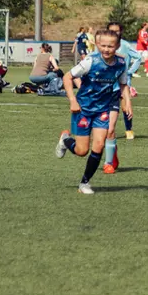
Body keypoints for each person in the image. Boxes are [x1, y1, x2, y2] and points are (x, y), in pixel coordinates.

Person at [55, 29, 132, 193]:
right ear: (97, 45)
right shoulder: (90, 61)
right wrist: (73, 100)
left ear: (117, 46)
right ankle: (65, 139)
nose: (106, 49)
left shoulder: (121, 63)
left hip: (102, 110)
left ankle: (84, 183)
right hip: (83, 109)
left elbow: (123, 84)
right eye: (103, 45)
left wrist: (128, 103)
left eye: (111, 46)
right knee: (82, 151)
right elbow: (67, 77)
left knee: (99, 145)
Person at [105, 22, 138, 141]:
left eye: (117, 31)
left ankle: (129, 129)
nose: (114, 33)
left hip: (123, 80)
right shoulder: (104, 45)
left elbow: (138, 57)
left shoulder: (125, 45)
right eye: (111, 30)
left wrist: (130, 71)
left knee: (126, 107)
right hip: (107, 81)